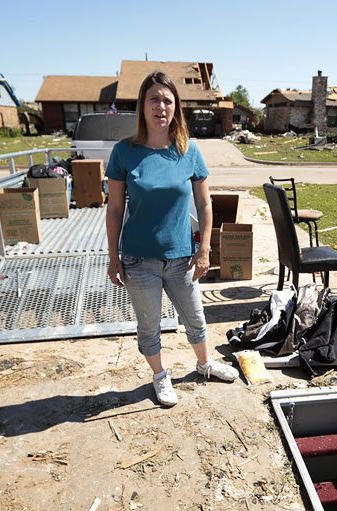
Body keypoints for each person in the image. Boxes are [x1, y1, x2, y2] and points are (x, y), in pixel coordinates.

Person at [105, 71, 238, 407]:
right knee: (149, 325)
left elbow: (206, 204)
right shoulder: (125, 152)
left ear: (176, 107)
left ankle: (205, 365)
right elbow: (115, 210)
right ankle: (160, 377)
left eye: (167, 100)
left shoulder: (188, 150)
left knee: (195, 318)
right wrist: (113, 257)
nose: (160, 106)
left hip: (182, 257)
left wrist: (205, 249)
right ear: (142, 106)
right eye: (154, 99)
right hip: (138, 259)